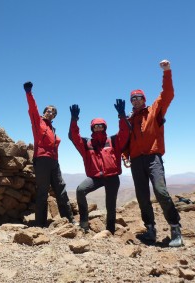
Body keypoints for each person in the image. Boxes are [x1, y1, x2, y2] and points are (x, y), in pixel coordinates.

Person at [124, 59, 183, 247]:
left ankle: (175, 228)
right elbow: (125, 142)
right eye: (133, 98)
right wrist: (125, 156)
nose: (136, 100)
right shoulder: (129, 119)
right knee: (142, 196)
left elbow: (168, 94)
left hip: (153, 157)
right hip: (136, 161)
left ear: (144, 99)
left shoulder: (155, 110)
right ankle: (150, 228)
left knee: (161, 191)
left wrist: (167, 71)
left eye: (138, 97)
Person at [68, 100, 130, 233]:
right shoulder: (86, 144)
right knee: (80, 190)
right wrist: (74, 120)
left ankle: (110, 230)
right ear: (92, 128)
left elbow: (125, 132)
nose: (98, 128)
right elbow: (74, 136)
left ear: (105, 127)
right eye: (95, 126)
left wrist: (122, 115)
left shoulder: (113, 141)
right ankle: (84, 222)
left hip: (112, 177)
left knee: (110, 205)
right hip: (95, 177)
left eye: (101, 126)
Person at [23, 81, 75, 227]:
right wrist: (29, 92)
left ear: (54, 116)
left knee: (61, 189)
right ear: (44, 112)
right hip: (42, 160)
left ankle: (69, 221)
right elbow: (33, 108)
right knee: (42, 192)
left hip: (54, 162)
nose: (50, 112)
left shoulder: (53, 129)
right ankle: (40, 224)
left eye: (53, 112)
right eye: (48, 110)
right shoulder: (37, 122)